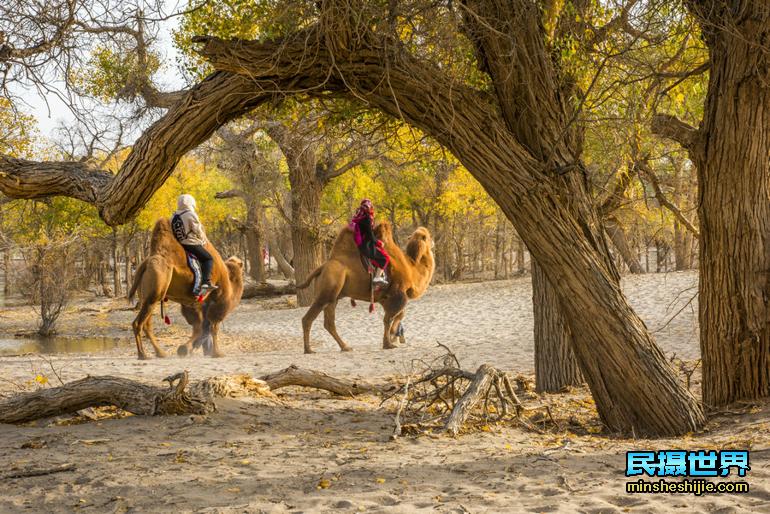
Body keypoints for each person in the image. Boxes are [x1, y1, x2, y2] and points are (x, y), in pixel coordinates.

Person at [171, 194, 217, 294]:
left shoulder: (173, 216)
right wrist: (203, 239)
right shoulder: (190, 214)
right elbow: (197, 230)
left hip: (179, 245)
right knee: (208, 258)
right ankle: (206, 282)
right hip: (191, 243)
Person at [349, 199, 390, 286]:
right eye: (371, 207)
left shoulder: (359, 217)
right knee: (385, 258)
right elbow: (370, 235)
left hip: (361, 245)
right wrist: (378, 242)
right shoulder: (367, 218)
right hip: (366, 246)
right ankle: (377, 278)